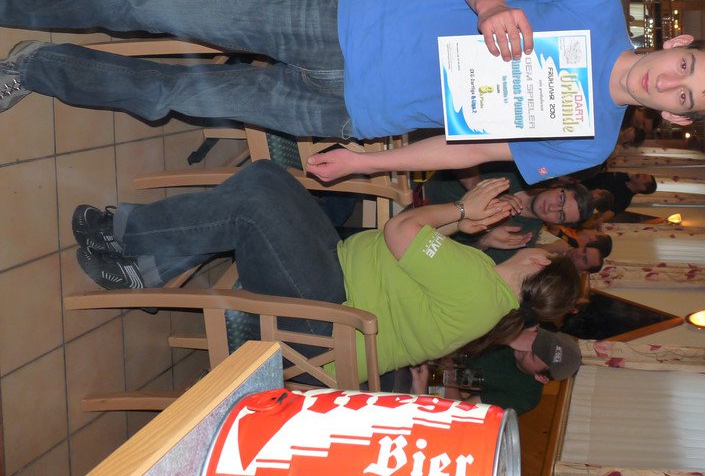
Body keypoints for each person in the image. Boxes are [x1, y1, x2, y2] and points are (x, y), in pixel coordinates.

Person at [0, 0, 705, 182]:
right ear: (681, 40)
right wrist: (491, 5)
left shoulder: (591, 142)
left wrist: (365, 162)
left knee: (168, 93)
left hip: (350, 112)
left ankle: (36, 68)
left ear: (677, 115)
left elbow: (469, 151)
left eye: (685, 95)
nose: (669, 80)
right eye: (686, 64)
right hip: (345, 21)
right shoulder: (595, 0)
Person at [71, 162, 580, 383]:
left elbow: (401, 230)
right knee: (268, 178)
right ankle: (149, 266)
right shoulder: (486, 285)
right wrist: (464, 226)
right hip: (334, 278)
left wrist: (461, 211)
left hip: (322, 324)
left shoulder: (482, 291)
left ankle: (124, 235)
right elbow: (419, 253)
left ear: (540, 262)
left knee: (254, 207)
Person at [424, 168, 596, 262]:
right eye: (560, 199)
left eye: (561, 216)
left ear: (559, 225)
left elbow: (453, 260)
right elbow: (461, 153)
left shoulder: (521, 240)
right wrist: (488, 194)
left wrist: (484, 242)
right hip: (423, 180)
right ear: (559, 186)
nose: (552, 208)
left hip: (422, 228)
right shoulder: (518, 170)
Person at [410, 327, 581, 415]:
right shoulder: (520, 327)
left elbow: (459, 411)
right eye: (536, 340)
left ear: (540, 377)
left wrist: (445, 371)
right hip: (434, 338)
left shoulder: (525, 396)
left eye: (533, 354)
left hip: (433, 377)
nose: (527, 347)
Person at [540, 228, 611, 273]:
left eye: (584, 259)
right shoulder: (559, 242)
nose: (579, 254)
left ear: (584, 272)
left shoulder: (560, 279)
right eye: (584, 250)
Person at [582, 171, 656, 213]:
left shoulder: (624, 200)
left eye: (644, 177)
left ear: (643, 187)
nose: (640, 174)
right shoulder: (624, 176)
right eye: (643, 174)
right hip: (581, 178)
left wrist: (600, 220)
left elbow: (609, 213)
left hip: (581, 195)